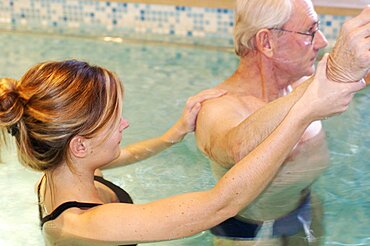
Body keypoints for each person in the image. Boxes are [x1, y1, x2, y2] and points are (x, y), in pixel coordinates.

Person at [0, 53, 363, 245]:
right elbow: (220, 204)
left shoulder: (59, 173)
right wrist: (302, 114)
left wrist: (175, 133)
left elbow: (126, 154)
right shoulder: (87, 224)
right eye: (115, 120)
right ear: (80, 145)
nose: (124, 125)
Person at [195, 0, 370, 244]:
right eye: (310, 31)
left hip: (304, 209)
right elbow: (236, 148)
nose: (321, 42)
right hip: (248, 231)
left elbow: (355, 73)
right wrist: (327, 78)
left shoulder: (299, 85)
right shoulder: (217, 107)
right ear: (266, 42)